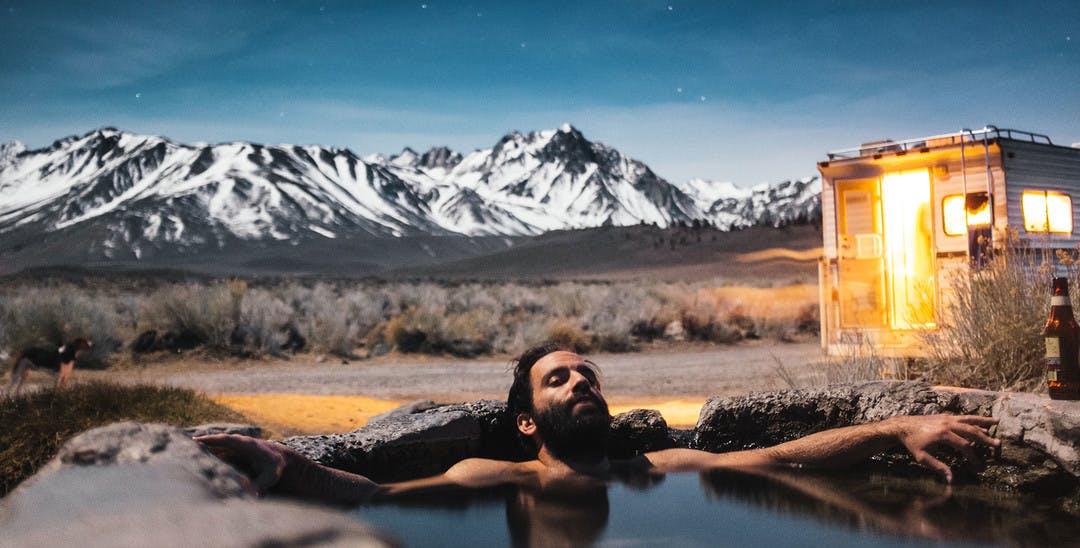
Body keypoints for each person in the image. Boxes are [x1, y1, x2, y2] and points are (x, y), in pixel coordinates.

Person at [197, 343, 999, 503]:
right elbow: (371, 496)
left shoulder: (659, 470)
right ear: (524, 423)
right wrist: (281, 462)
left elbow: (787, 457)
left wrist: (896, 431)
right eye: (559, 377)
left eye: (589, 374)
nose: (581, 380)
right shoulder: (491, 478)